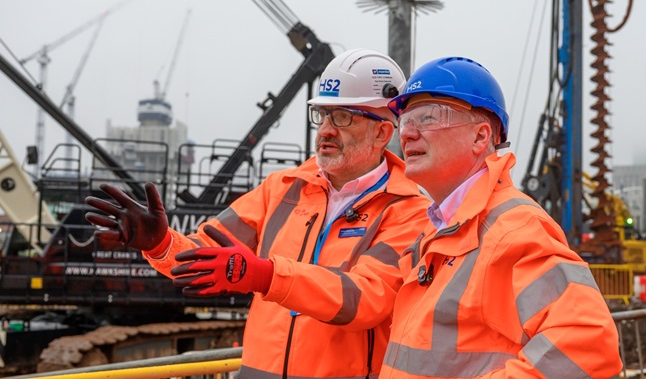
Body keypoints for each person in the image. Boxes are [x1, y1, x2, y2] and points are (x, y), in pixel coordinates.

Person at [84, 48, 431, 379]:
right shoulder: (282, 188)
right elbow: (201, 256)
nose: (325, 129)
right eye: (322, 114)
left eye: (342, 117)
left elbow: (364, 299)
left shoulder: (408, 211)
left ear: (382, 132)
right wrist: (160, 244)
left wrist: (266, 276)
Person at [380, 56, 622, 378]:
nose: (407, 134)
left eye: (427, 118)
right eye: (405, 121)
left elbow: (588, 343)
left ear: (481, 138)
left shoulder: (511, 230)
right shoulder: (441, 229)